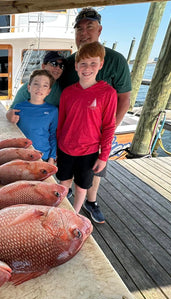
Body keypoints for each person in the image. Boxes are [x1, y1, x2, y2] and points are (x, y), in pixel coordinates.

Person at [59, 7, 131, 223]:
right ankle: (66, 203)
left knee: (92, 178)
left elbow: (124, 99)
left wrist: (104, 142)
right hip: (70, 140)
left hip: (96, 137)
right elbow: (61, 100)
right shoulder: (70, 63)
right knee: (68, 179)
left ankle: (91, 203)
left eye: (89, 27)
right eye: (79, 29)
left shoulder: (116, 60)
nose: (84, 33)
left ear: (99, 30)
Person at [56, 41, 117, 218]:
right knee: (63, 183)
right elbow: (61, 123)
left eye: (93, 63)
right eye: (83, 63)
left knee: (82, 187)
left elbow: (109, 126)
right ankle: (60, 214)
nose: (87, 68)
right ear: (76, 66)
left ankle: (74, 215)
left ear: (101, 65)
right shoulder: (67, 92)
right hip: (65, 149)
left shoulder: (108, 93)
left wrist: (104, 156)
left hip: (89, 152)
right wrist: (57, 149)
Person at [12, 69, 58, 164]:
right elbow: (12, 132)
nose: (40, 88)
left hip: (43, 156)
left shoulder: (53, 111)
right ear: (29, 87)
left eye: (45, 85)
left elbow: (53, 135)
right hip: (21, 155)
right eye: (36, 84)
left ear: (48, 91)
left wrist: (52, 157)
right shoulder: (18, 108)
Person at [6, 51, 65, 123]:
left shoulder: (61, 88)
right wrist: (9, 115)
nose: (58, 68)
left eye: (61, 66)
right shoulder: (28, 89)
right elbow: (11, 111)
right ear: (43, 66)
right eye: (54, 64)